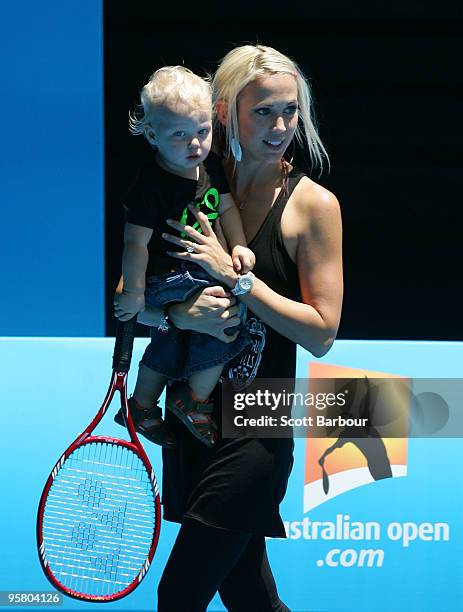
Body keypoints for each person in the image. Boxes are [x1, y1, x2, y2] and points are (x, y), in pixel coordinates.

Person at [126, 44, 342, 610]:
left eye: (290, 111)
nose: (280, 126)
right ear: (225, 113)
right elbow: (130, 300)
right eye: (264, 111)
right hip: (193, 417)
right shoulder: (193, 176)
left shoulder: (313, 206)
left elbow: (322, 333)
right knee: (250, 597)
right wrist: (176, 313)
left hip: (258, 424)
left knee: (179, 596)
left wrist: (239, 281)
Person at [113, 65, 255, 448]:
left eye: (202, 131)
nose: (195, 144)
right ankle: (194, 400)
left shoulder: (209, 168)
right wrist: (134, 293)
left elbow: (226, 210)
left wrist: (239, 245)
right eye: (180, 134)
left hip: (196, 275)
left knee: (173, 341)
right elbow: (135, 244)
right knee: (228, 323)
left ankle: (142, 405)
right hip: (166, 280)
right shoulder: (149, 185)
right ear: (153, 135)